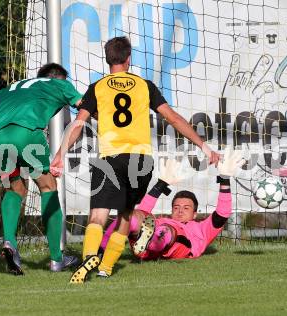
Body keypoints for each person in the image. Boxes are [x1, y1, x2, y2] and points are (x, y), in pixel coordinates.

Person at [49, 36, 220, 283]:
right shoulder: (144, 86)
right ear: (129, 59)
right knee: (126, 215)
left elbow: (78, 123)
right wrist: (203, 145)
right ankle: (106, 267)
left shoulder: (97, 87)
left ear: (108, 60)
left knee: (97, 215)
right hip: (140, 160)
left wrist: (60, 154)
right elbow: (172, 118)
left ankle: (88, 258)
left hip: (108, 158)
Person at [0, 63, 82, 275]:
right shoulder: (60, 85)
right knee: (47, 186)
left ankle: (9, 242)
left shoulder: (13, 88)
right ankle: (56, 259)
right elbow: (85, 109)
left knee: (14, 189)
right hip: (25, 135)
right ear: (58, 78)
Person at [99, 149, 245, 265]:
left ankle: (153, 239)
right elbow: (144, 210)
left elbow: (223, 213)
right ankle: (100, 253)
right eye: (176, 207)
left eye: (186, 208)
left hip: (179, 246)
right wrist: (161, 183)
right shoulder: (162, 219)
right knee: (130, 214)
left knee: (169, 230)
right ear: (171, 210)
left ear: (195, 214)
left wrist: (225, 179)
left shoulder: (201, 229)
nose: (180, 210)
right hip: (148, 242)